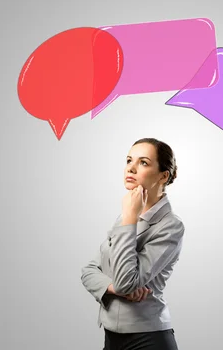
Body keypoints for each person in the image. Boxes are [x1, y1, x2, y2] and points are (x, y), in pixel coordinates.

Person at [81, 138, 184, 350]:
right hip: (112, 337)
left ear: (164, 175)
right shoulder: (124, 217)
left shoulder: (171, 226)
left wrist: (129, 218)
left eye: (143, 162)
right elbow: (89, 271)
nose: (131, 168)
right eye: (129, 160)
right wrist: (112, 288)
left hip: (148, 338)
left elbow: (126, 282)